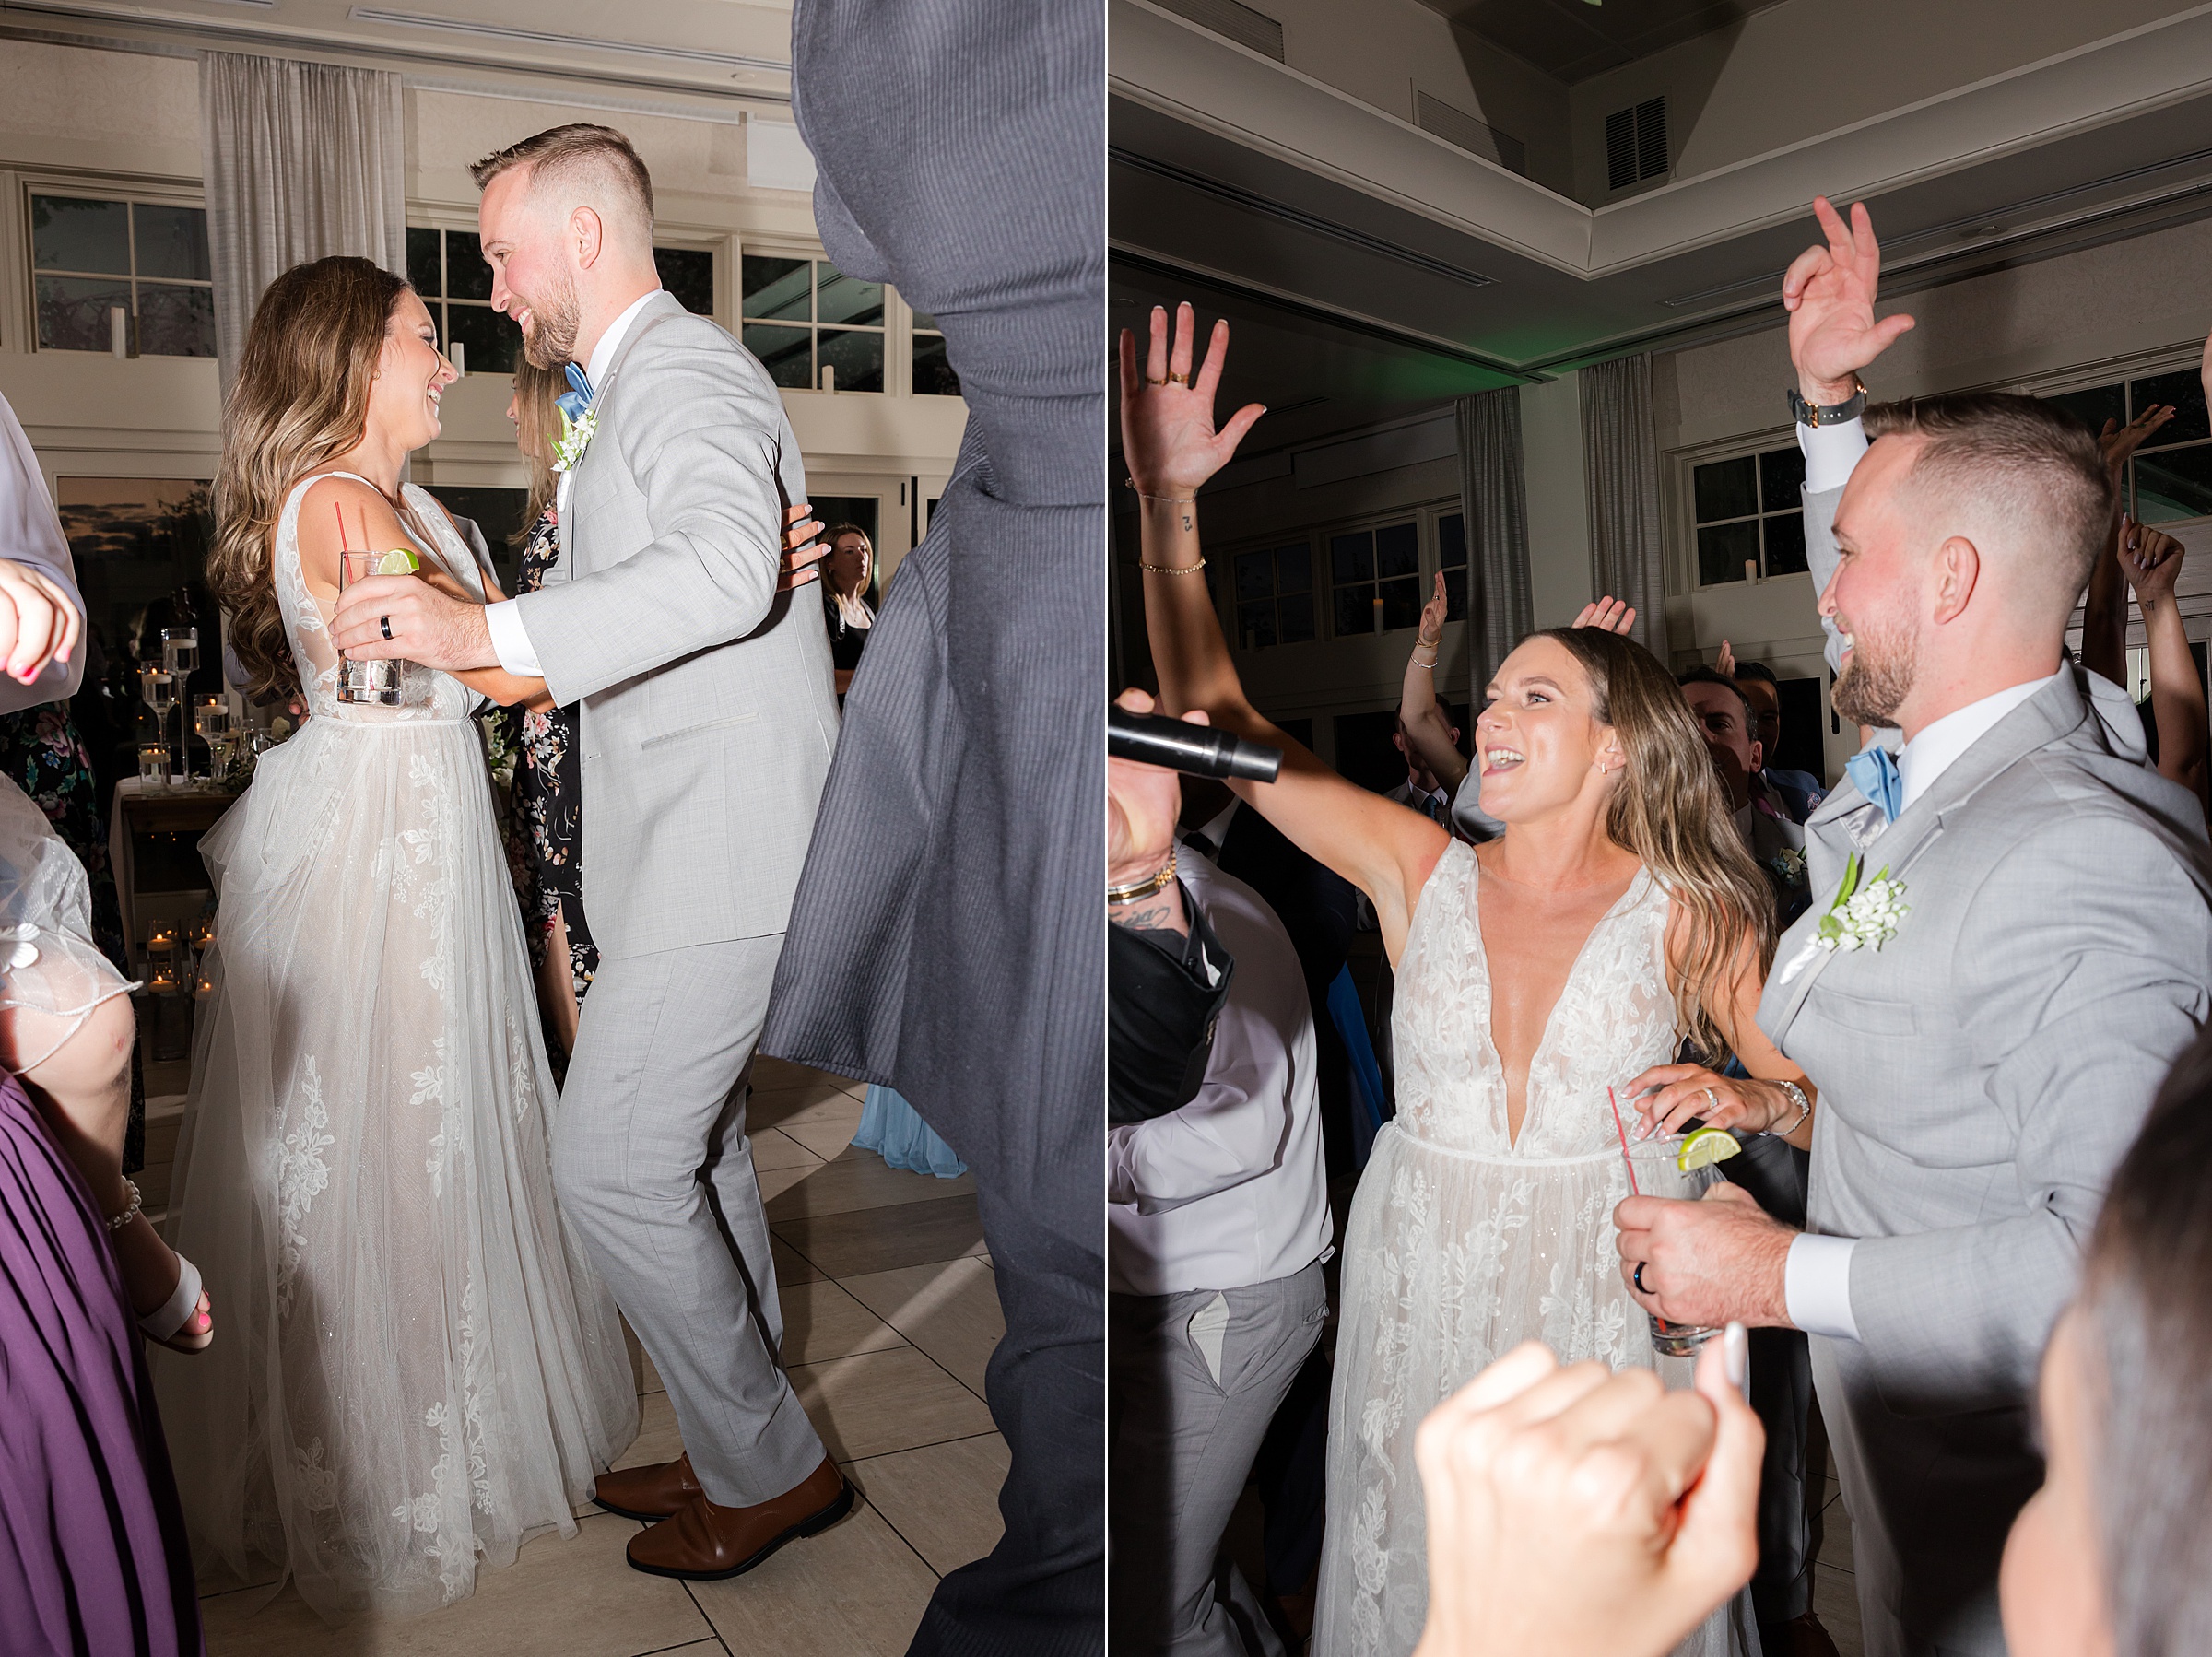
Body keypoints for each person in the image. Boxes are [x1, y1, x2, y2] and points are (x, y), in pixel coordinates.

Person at [1125, 299, 1795, 1657]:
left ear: (1618, 747)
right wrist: (1168, 507)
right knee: (1417, 1562)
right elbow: (1224, 722)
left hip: (1607, 1291)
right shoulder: (1413, 867)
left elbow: (1800, 1089)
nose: (1492, 713)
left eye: (1534, 696)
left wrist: (1741, 1101)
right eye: (1490, 696)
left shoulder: (1698, 906)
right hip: (1417, 1274)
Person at [1614, 196, 2212, 1657]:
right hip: (1909, 1463)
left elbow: (2107, 1266)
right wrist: (1830, 406)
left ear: (1950, 585)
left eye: (1853, 551)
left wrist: (1772, 1272)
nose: (1824, 588)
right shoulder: (1928, 778)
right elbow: (1932, 1058)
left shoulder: (2074, 853)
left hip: (2025, 1504)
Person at [332, 124, 851, 1583]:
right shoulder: (615, 398)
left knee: (609, 1166)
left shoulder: (681, 371)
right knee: (695, 1159)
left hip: (725, 849)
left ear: (577, 237)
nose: (490, 286)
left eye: (499, 251)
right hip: (681, 845)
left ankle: (771, 1468)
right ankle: (725, 1429)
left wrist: (480, 632)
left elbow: (720, 564)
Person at [156, 255, 638, 1621]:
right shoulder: (341, 503)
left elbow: (488, 643)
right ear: (357, 356)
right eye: (425, 340)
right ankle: (390, 1463)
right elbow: (499, 661)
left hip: (424, 834)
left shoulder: (409, 502)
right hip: (380, 853)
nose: (445, 363)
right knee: (392, 1150)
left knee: (443, 1139)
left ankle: (445, 1426)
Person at [761, 6, 1108, 1651]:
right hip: (1042, 546)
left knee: (1063, 1232)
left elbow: (853, 219)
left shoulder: (884, 59)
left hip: (1041, 563)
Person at [484, 361, 830, 1079]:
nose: (511, 413)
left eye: (518, 393)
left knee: (610, 1042)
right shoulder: (563, 510)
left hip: (585, 779)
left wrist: (737, 572)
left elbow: (560, 659)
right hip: (560, 785)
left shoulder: (573, 515)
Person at [1109, 684, 1334, 1657]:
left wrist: (1091, 1160)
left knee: (1153, 1596)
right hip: (1166, 1284)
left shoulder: (1221, 913)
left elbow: (1244, 1130)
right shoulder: (1125, 908)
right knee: (1169, 1557)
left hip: (1231, 1301)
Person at [1722, 656, 1824, 823]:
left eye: (1768, 717)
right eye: (1747, 717)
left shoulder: (1803, 787)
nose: (1758, 730)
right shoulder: (1697, 797)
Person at [822, 522, 876, 698]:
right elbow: (824, 680)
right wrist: (875, 677)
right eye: (849, 552)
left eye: (864, 550)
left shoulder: (869, 611)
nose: (861, 557)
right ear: (830, 563)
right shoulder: (826, 610)